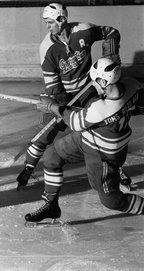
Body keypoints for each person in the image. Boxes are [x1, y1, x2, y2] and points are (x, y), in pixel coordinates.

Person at [16, 3, 132, 189]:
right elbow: (52, 84)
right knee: (45, 133)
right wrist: (61, 106)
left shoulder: (83, 31)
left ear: (62, 19)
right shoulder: (47, 48)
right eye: (46, 22)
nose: (47, 26)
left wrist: (110, 54)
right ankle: (28, 168)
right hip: (63, 94)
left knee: (96, 129)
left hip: (89, 89)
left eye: (50, 22)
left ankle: (113, 167)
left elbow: (111, 32)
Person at [24, 58, 144, 224]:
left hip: (103, 156)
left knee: (111, 201)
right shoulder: (132, 85)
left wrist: (51, 106)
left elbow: (75, 122)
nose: (92, 85)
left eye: (94, 82)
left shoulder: (101, 108)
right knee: (52, 155)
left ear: (104, 81)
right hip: (88, 138)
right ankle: (51, 205)